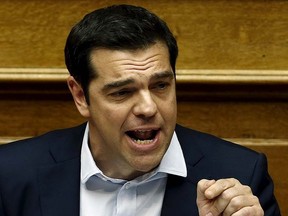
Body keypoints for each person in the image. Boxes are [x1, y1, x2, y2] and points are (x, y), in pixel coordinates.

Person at [0, 4, 280, 216]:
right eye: (122, 92)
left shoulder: (241, 176)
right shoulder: (10, 176)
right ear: (81, 96)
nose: (148, 108)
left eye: (160, 86)